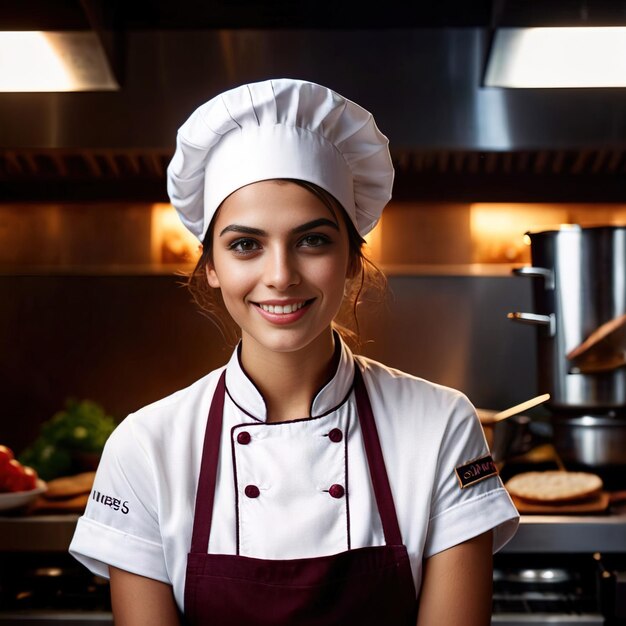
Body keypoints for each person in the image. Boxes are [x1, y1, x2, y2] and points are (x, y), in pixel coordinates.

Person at [69, 78, 519, 625]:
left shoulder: (443, 425)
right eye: (245, 245)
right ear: (211, 266)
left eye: (312, 240)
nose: (280, 276)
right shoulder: (145, 448)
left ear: (352, 258)